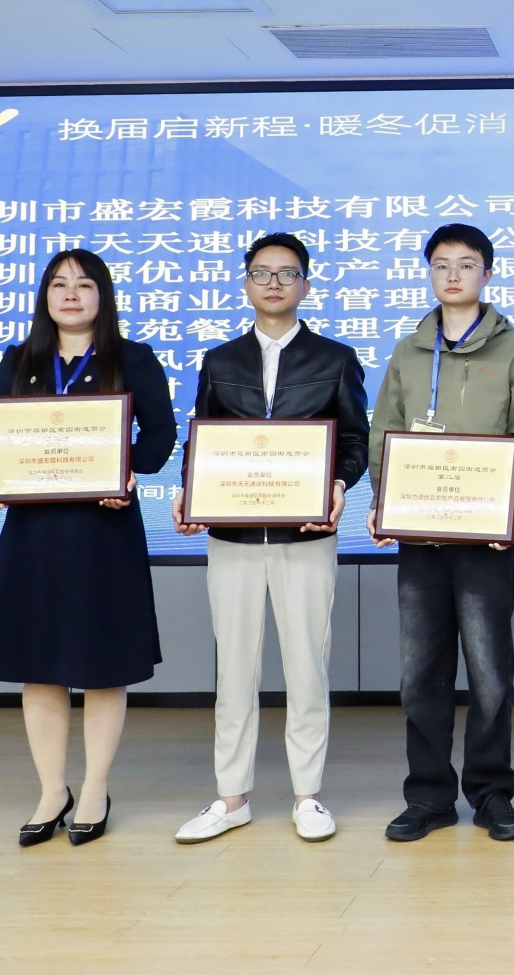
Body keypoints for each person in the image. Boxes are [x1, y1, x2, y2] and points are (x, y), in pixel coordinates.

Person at [0, 249, 177, 847]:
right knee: (39, 665)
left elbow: (160, 434)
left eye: (84, 285)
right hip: (34, 535)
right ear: (45, 297)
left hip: (104, 531)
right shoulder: (20, 360)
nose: (71, 294)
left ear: (102, 296)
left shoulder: (132, 358)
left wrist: (127, 471)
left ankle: (94, 789)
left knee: (103, 665)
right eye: (59, 284)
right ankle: (50, 790)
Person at [171, 232, 369, 844]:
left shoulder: (335, 359)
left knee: (307, 666)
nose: (275, 282)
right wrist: (188, 492)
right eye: (262, 272)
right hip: (231, 536)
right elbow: (202, 440)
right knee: (233, 669)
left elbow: (354, 440)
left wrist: (338, 483)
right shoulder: (220, 361)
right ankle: (231, 796)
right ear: (246, 283)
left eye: (287, 273)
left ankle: (308, 795)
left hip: (304, 535)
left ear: (306, 284)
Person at [364, 223, 514, 843]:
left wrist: (513, 503)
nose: (452, 275)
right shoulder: (408, 351)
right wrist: (384, 500)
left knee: (489, 676)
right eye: (441, 264)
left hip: (485, 540)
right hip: (420, 540)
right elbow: (384, 432)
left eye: (466, 264)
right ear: (429, 273)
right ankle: (429, 796)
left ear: (486, 274)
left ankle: (492, 794)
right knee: (421, 675)